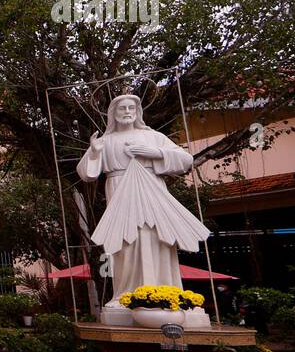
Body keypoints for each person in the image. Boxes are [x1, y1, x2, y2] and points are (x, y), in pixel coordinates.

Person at [77, 93, 210, 302]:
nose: (127, 112)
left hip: (152, 189)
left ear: (138, 112)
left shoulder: (153, 137)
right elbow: (86, 174)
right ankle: (127, 295)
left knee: (157, 237)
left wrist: (155, 153)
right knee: (127, 242)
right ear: (114, 113)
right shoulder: (104, 141)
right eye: (122, 109)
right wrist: (94, 153)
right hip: (120, 189)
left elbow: (185, 160)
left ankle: (166, 293)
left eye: (131, 108)